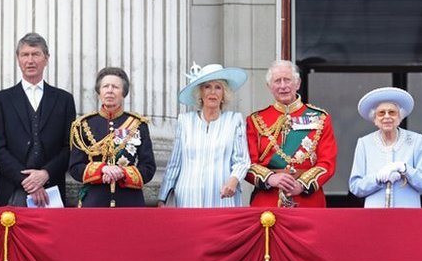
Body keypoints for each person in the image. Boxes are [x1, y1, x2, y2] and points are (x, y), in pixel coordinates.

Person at [0, 33, 77, 207]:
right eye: (25, 55)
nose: (30, 60)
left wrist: (45, 173)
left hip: (52, 191)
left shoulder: (64, 100)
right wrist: (29, 181)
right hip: (12, 190)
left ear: (46, 58)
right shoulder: (2, 100)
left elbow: (70, 147)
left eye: (36, 54)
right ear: (18, 59)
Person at [246, 60, 337, 207]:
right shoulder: (255, 120)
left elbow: (327, 163)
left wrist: (301, 185)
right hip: (268, 199)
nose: (283, 86)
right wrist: (271, 178)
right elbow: (247, 163)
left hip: (308, 200)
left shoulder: (320, 118)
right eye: (277, 81)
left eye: (287, 80)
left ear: (298, 83)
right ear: (269, 87)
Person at [158, 63, 251, 208]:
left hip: (223, 200)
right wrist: (162, 199)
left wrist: (233, 180)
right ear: (200, 92)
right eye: (207, 86)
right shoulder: (185, 121)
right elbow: (174, 164)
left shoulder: (234, 121)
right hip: (188, 200)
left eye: (218, 87)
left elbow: (242, 161)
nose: (212, 92)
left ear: (224, 94)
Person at [68, 67, 155, 207]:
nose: (109, 90)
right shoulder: (83, 125)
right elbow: (75, 168)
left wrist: (122, 173)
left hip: (130, 202)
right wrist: (102, 169)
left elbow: (149, 167)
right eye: (105, 86)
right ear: (99, 92)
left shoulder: (138, 125)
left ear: (123, 93)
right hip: (95, 202)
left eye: (115, 87)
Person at [348, 87, 422, 207]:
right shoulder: (364, 143)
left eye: (392, 112)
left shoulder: (416, 140)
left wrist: (405, 169)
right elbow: (355, 187)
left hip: (408, 214)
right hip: (375, 216)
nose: (387, 117)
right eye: (381, 113)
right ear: (375, 119)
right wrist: (377, 178)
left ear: (400, 117)